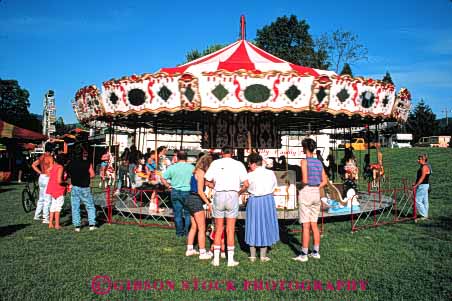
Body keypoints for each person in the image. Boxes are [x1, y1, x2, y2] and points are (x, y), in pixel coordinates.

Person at [204, 146, 248, 267]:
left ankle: (216, 260)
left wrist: (215, 186)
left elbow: (206, 181)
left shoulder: (215, 163)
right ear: (232, 153)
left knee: (218, 228)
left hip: (219, 194)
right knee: (230, 229)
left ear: (222, 153)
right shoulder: (239, 164)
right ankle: (230, 260)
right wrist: (238, 193)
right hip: (232, 195)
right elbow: (246, 184)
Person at [293, 138, 327, 262]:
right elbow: (325, 181)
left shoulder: (304, 161)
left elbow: (305, 180)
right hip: (316, 193)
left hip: (306, 192)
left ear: (305, 148)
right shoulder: (319, 162)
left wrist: (298, 187)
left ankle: (303, 254)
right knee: (314, 224)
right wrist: (316, 186)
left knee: (305, 226)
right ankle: (316, 252)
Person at [245, 153, 279, 262]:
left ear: (253, 164)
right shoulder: (270, 173)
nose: (249, 166)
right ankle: (263, 255)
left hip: (254, 200)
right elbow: (274, 186)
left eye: (249, 164)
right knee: (266, 224)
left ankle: (252, 255)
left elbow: (246, 188)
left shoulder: (250, 175)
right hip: (267, 200)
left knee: (252, 225)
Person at [184, 154, 214, 260]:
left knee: (194, 227)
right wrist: (208, 203)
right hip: (196, 200)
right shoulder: (201, 172)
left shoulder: (196, 172)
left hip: (189, 198)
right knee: (202, 228)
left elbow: (203, 184)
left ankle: (190, 249)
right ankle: (202, 252)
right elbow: (200, 191)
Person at [161, 150, 194, 237]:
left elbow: (163, 178)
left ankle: (179, 233)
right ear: (186, 158)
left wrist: (168, 186)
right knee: (188, 214)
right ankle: (187, 233)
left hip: (175, 191)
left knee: (177, 213)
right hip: (187, 192)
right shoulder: (192, 167)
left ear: (177, 157)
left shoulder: (172, 167)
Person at [66, 144, 97, 232]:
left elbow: (69, 175)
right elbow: (93, 174)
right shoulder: (87, 163)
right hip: (85, 187)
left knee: (75, 207)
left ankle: (77, 226)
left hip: (75, 186)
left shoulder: (70, 163)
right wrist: (86, 177)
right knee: (90, 206)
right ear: (82, 153)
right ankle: (92, 224)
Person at [32, 143, 55, 223]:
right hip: (47, 178)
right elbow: (51, 168)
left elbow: (33, 165)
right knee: (47, 199)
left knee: (41, 198)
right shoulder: (50, 158)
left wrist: (40, 172)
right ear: (51, 150)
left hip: (41, 177)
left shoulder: (41, 157)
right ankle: (45, 218)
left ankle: (37, 215)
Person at [45, 154, 67, 230]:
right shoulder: (60, 167)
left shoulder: (54, 166)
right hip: (59, 189)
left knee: (53, 205)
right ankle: (57, 224)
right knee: (58, 206)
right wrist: (67, 183)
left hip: (52, 188)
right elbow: (59, 181)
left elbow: (47, 171)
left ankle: (50, 223)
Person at [413, 154, 431, 221]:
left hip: (423, 185)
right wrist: (416, 183)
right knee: (425, 201)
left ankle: (424, 215)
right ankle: (425, 215)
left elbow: (422, 178)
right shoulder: (424, 166)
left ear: (423, 160)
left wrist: (416, 185)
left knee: (417, 200)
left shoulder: (424, 167)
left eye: (419, 159)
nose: (418, 160)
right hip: (425, 185)